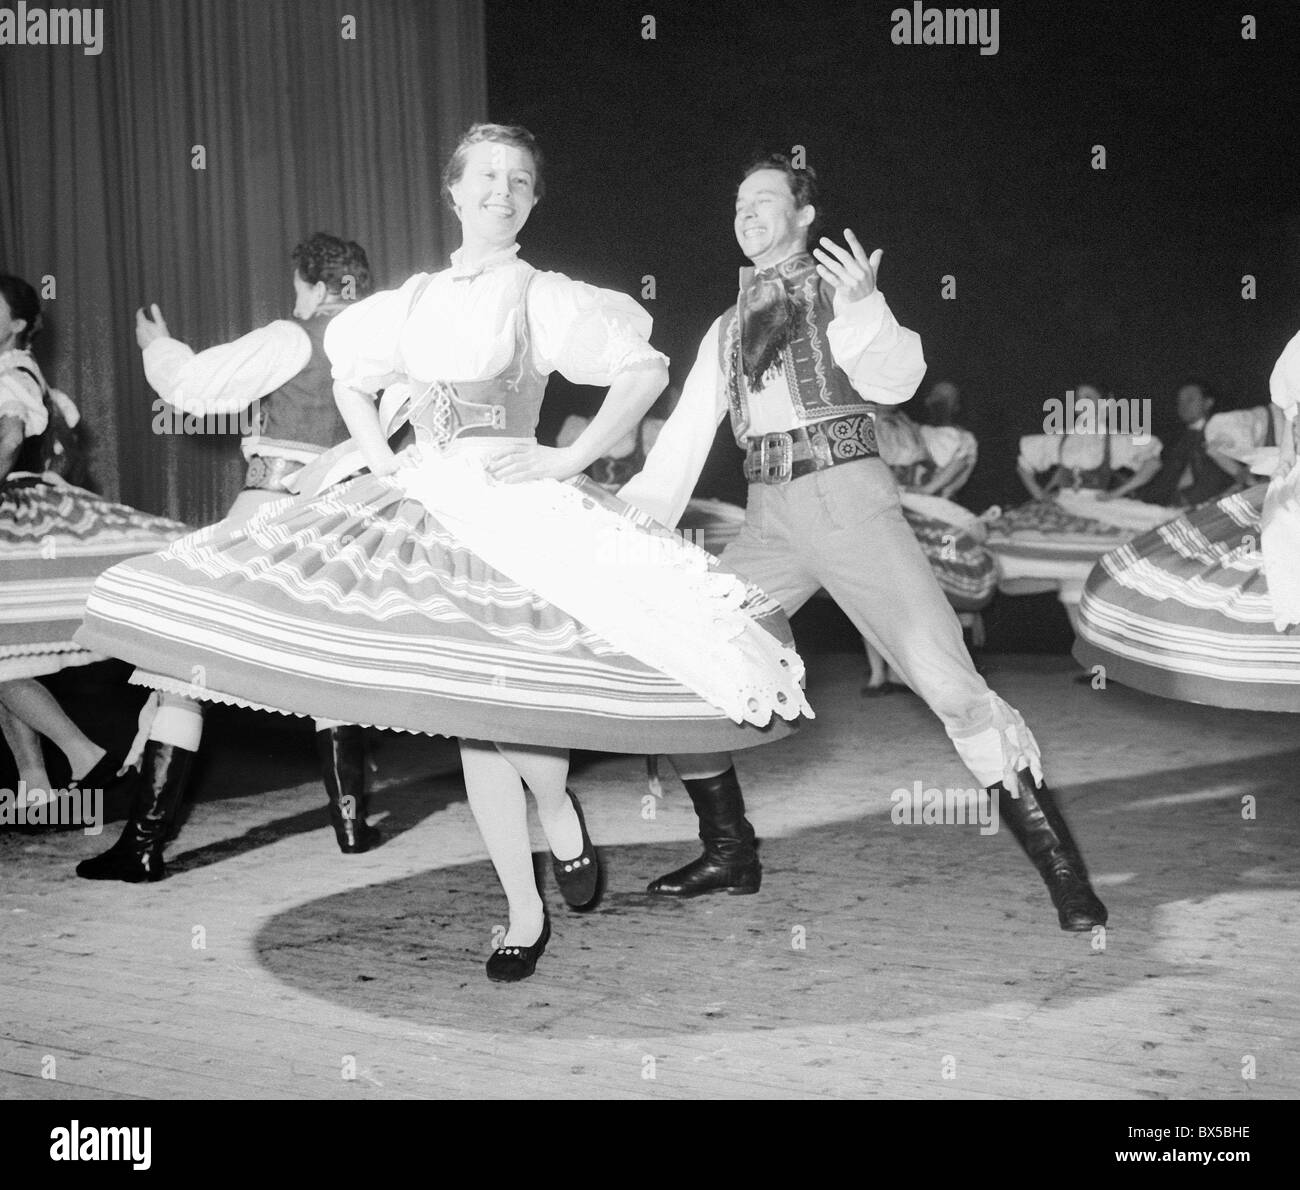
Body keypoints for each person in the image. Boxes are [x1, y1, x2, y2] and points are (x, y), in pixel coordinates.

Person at [77, 124, 811, 981]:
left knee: (513, 715)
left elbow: (642, 369)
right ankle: (523, 910)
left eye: (521, 180)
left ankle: (558, 815)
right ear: (455, 192)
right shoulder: (413, 298)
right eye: (487, 177)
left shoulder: (540, 293)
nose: (503, 190)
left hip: (515, 510)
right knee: (470, 722)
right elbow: (353, 375)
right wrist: (386, 461)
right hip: (429, 507)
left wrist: (569, 459)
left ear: (532, 200)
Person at [620, 152, 1107, 931]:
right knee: (687, 661)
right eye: (738, 202)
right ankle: (729, 850)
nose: (746, 213)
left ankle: (1064, 872)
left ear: (805, 214)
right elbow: (682, 440)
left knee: (949, 687)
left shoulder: (838, 295)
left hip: (849, 501)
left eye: (764, 199)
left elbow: (895, 382)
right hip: (768, 515)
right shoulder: (724, 325)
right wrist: (625, 520)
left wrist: (865, 307)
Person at [74, 233, 379, 879]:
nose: (298, 299)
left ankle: (144, 847)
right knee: (327, 669)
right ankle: (351, 827)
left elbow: (195, 388)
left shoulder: (293, 338)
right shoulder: (379, 352)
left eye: (301, 287)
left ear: (318, 288)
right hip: (344, 524)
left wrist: (157, 345)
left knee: (183, 670)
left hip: (271, 511)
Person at [0, 274, 188, 827]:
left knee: (3, 652)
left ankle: (83, 754)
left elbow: (11, 437)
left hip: (14, 518)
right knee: (8, 650)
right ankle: (35, 784)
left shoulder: (13, 374)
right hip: (21, 514)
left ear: (16, 325)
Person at [1074, 333, 1300, 710]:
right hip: (1189, 508)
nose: (1182, 405)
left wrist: (1255, 478)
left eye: (1191, 399)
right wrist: (1282, 468)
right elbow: (1287, 426)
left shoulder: (1224, 427)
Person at [987, 383, 1175, 630]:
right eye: (1078, 398)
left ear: (1105, 403)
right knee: (1066, 576)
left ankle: (1100, 652)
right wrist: (1039, 494)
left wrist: (1119, 492)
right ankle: (1089, 656)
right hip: (1064, 505)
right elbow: (1024, 464)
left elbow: (1152, 462)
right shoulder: (1062, 437)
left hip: (1097, 505)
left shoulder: (1115, 438)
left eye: (1089, 397)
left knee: (1082, 577)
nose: (1082, 403)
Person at [866, 404, 996, 693]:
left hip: (925, 510)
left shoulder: (918, 431)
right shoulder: (862, 428)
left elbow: (961, 453)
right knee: (876, 593)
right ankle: (878, 674)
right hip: (883, 507)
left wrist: (933, 488)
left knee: (951, 547)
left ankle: (951, 662)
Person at [1140, 381, 1235, 509]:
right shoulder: (1173, 440)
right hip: (1163, 506)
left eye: (1190, 400)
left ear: (1208, 403)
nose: (1183, 406)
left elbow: (1219, 477)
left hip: (1203, 506)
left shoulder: (1223, 434)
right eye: (1180, 401)